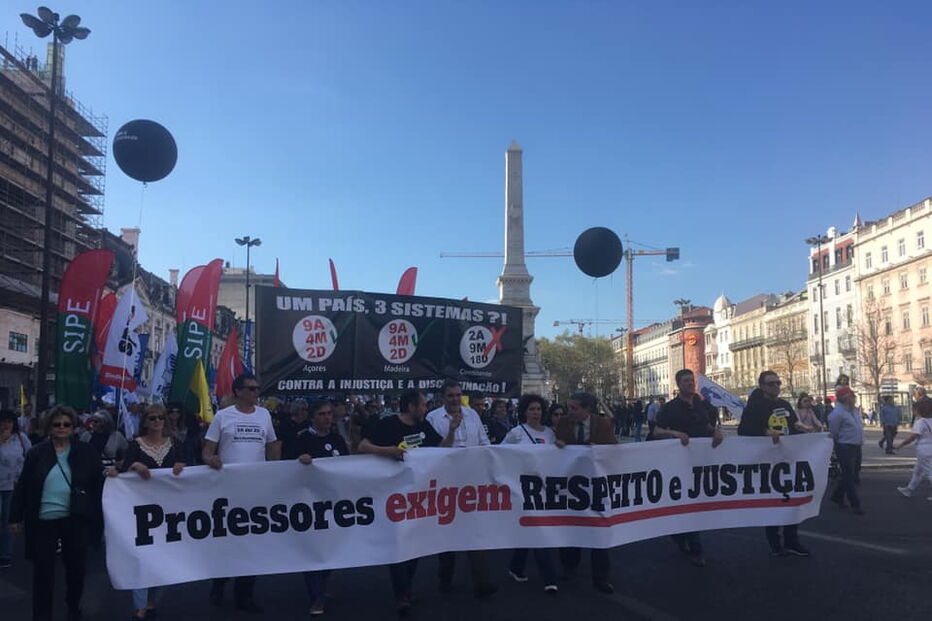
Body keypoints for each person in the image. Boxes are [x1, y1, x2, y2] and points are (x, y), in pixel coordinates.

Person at [359, 389, 457, 614]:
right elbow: (363, 446)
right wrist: (389, 451)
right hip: (392, 494)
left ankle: (405, 588)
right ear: (411, 406)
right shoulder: (387, 425)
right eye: (422, 405)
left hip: (418, 496)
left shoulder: (423, 427)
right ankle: (401, 593)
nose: (425, 409)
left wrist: (452, 431)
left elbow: (440, 450)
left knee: (413, 545)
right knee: (399, 543)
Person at [10, 405, 103, 621]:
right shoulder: (36, 453)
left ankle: (73, 605)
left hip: (75, 518)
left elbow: (99, 483)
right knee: (43, 572)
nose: (62, 428)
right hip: (44, 519)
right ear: (49, 427)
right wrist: (15, 517)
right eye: (57, 424)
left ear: (74, 427)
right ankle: (42, 616)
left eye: (66, 424)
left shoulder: (87, 452)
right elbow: (23, 486)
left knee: (76, 569)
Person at [203, 373, 280, 613]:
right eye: (251, 389)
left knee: (252, 543)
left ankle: (244, 594)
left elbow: (272, 445)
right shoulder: (223, 417)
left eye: (258, 388)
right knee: (228, 541)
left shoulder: (264, 415)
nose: (256, 393)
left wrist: (274, 470)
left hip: (255, 489)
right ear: (238, 391)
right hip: (228, 490)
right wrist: (211, 459)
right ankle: (219, 581)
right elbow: (207, 450)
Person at [108, 404, 185, 620]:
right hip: (141, 510)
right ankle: (139, 605)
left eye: (161, 417)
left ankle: (152, 601)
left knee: (166, 558)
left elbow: (190, 469)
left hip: (170, 511)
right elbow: (122, 471)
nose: (157, 421)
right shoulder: (135, 445)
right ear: (144, 421)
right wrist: (133, 466)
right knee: (142, 556)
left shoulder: (176, 445)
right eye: (152, 418)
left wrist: (182, 466)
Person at [425, 380, 496, 598]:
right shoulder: (432, 418)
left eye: (458, 395)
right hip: (446, 483)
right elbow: (434, 452)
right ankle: (445, 577)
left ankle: (482, 582)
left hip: (472, 482)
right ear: (442, 398)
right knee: (448, 533)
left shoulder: (473, 415)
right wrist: (452, 430)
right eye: (450, 396)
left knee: (476, 531)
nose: (455, 399)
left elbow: (484, 443)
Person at [654, 370, 724, 566]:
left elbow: (707, 425)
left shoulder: (702, 405)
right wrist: (675, 434)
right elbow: (656, 431)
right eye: (686, 381)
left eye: (692, 381)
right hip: (679, 463)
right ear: (678, 384)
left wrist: (716, 432)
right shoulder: (669, 408)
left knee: (695, 503)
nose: (690, 384)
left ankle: (679, 534)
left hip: (701, 461)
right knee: (688, 503)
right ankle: (696, 548)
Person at [739, 371, 811, 556]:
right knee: (773, 503)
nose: (776, 387)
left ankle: (791, 541)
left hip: (787, 458)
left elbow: (793, 423)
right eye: (771, 384)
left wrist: (801, 427)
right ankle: (774, 542)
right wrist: (765, 432)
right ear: (762, 386)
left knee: (791, 500)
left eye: (778, 383)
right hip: (767, 461)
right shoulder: (754, 407)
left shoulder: (784, 404)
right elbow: (744, 430)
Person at [554, 391, 616, 594]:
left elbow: (614, 449)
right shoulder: (563, 423)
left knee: (599, 531)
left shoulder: (603, 424)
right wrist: (560, 445)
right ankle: (569, 566)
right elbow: (556, 447)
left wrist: (599, 450)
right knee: (572, 526)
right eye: (569, 407)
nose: (569, 411)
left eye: (574, 408)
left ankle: (601, 577)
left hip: (597, 486)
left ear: (587, 409)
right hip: (572, 485)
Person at [293, 400, 350, 616]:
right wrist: (299, 460)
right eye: (322, 414)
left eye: (329, 413)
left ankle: (320, 586)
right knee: (313, 550)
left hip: (333, 503)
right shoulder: (302, 439)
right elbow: (285, 466)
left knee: (332, 550)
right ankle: (316, 597)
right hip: (309, 504)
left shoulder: (338, 439)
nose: (327, 417)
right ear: (312, 417)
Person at [502, 394, 558, 593]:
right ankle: (549, 578)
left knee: (530, 530)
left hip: (543, 489)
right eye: (532, 409)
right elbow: (501, 455)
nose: (536, 413)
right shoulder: (516, 433)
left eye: (539, 409)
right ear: (524, 412)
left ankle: (516, 566)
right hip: (523, 488)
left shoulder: (550, 434)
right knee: (539, 531)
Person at [1, 409, 31, 568]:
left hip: (13, 485)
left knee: (8, 520)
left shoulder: (20, 438)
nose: (5, 425)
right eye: (3, 421)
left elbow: (30, 456)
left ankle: (5, 554)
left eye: (8, 421)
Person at [828, 385, 864, 515]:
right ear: (846, 398)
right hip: (845, 445)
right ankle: (855, 503)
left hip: (856, 445)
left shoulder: (854, 411)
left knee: (852, 474)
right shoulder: (838, 413)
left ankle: (837, 495)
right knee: (849, 475)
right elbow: (834, 431)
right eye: (852, 396)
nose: (854, 398)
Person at [894, 398, 932, 499]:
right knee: (918, 470)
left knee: (929, 471)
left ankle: (909, 489)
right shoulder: (930, 421)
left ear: (918, 410)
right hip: (930, 447)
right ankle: (909, 489)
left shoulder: (920, 422)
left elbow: (913, 437)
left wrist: (901, 445)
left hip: (924, 449)